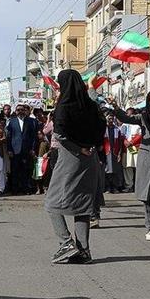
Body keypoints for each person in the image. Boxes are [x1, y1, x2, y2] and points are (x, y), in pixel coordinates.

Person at [45, 70, 105, 264]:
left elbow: (61, 135)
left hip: (71, 158)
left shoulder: (64, 106)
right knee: (82, 207)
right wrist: (90, 147)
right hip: (90, 158)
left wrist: (78, 149)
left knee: (52, 202)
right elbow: (102, 125)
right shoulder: (91, 105)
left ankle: (66, 243)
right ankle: (84, 251)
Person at [108, 91, 150, 242]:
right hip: (147, 159)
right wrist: (115, 107)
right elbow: (126, 118)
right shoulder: (143, 117)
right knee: (147, 194)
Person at [6, 104, 37, 194]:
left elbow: (33, 137)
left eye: (22, 110)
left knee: (25, 170)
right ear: (15, 111)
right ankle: (15, 190)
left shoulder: (30, 121)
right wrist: (9, 150)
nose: (20, 111)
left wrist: (32, 148)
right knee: (15, 171)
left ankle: (25, 189)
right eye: (18, 110)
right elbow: (9, 137)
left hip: (26, 150)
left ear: (24, 111)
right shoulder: (12, 122)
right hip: (15, 150)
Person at [120, 108, 141, 192]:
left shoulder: (138, 124)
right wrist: (125, 141)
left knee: (137, 166)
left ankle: (139, 186)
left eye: (131, 114)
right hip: (126, 149)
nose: (129, 116)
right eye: (127, 114)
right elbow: (121, 135)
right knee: (127, 167)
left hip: (135, 148)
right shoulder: (124, 125)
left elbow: (140, 135)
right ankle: (129, 185)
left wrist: (132, 142)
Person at [103, 113, 125, 193]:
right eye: (109, 119)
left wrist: (119, 153)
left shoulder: (117, 130)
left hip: (115, 152)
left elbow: (120, 143)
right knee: (107, 170)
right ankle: (108, 187)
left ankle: (115, 187)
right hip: (106, 152)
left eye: (112, 119)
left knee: (115, 171)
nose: (111, 120)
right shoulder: (103, 129)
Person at [34, 130, 50, 194]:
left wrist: (47, 154)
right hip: (37, 160)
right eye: (38, 134)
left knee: (45, 175)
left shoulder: (46, 142)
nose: (39, 135)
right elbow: (33, 150)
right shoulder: (36, 142)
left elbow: (50, 149)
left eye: (40, 134)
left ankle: (45, 188)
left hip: (44, 160)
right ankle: (39, 189)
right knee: (38, 176)